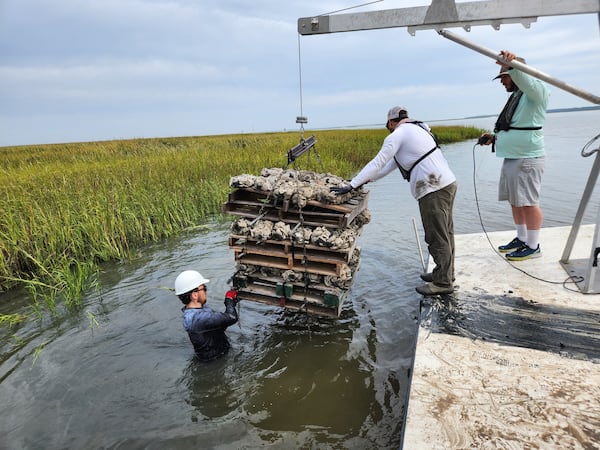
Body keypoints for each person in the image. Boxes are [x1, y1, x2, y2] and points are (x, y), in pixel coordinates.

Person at [331, 106, 457, 295]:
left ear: (391, 122)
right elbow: (386, 167)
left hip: (433, 189)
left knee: (436, 235)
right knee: (446, 232)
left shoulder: (397, 135)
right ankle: (444, 273)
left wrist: (352, 185)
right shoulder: (419, 129)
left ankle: (443, 283)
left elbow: (377, 162)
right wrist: (365, 179)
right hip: (446, 183)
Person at [479, 50, 550, 261]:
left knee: (529, 201)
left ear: (519, 74)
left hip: (528, 157)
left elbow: (526, 80)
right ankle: (521, 238)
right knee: (516, 201)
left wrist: (512, 64)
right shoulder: (518, 98)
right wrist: (493, 137)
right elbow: (514, 125)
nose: (502, 82)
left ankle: (533, 245)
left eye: (505, 76)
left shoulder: (536, 92)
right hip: (513, 156)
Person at [174, 270, 239, 362]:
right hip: (215, 360)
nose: (206, 291)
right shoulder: (200, 318)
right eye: (204, 288)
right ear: (195, 295)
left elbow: (220, 324)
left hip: (212, 355)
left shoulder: (194, 312)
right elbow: (232, 317)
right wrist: (229, 300)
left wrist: (230, 304)